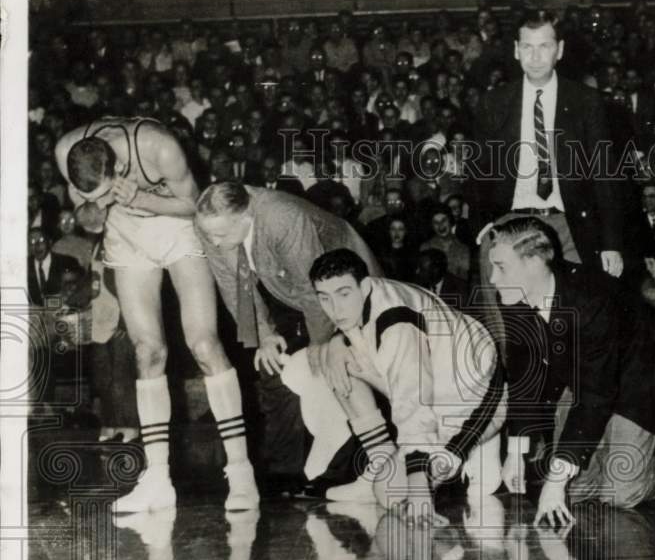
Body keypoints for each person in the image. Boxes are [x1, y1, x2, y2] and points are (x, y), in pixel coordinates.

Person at [54, 117, 259, 513]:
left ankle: (241, 471)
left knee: (203, 344)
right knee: (147, 351)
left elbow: (194, 205)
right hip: (127, 237)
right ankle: (158, 480)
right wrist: (96, 210)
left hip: (177, 229)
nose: (99, 198)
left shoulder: (159, 147)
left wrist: (141, 199)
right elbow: (89, 216)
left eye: (104, 190)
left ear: (117, 167)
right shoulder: (66, 149)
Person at [485, 216, 655, 525]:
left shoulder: (593, 297)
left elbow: (597, 394)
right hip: (588, 380)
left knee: (621, 492)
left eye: (501, 267)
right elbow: (523, 377)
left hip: (640, 384)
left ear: (533, 263)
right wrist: (516, 452)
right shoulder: (515, 296)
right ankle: (607, 452)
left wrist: (556, 480)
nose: (492, 279)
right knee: (575, 491)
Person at [277, 249, 506, 524]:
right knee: (334, 358)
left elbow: (413, 401)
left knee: (393, 495)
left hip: (476, 401)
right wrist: (337, 341)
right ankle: (380, 463)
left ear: (365, 285)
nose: (335, 309)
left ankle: (477, 450)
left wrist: (419, 489)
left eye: (343, 294)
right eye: (324, 298)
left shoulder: (397, 323)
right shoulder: (368, 297)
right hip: (438, 385)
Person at [194, 181, 382, 487]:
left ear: (246, 216)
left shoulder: (282, 217)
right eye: (209, 235)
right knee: (271, 366)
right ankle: (285, 472)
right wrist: (265, 334)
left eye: (221, 235)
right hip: (285, 288)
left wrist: (320, 345)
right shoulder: (210, 224)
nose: (213, 242)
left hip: (340, 286)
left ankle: (343, 471)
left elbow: (315, 291)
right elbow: (232, 285)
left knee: (338, 368)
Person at [472, 10, 625, 277]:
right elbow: (477, 171)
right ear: (517, 50)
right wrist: (482, 225)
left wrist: (612, 244)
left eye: (544, 46)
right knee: (515, 316)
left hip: (569, 226)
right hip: (511, 225)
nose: (535, 57)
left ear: (560, 50)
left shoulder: (586, 101)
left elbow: (605, 176)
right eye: (527, 47)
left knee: (573, 313)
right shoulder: (494, 102)